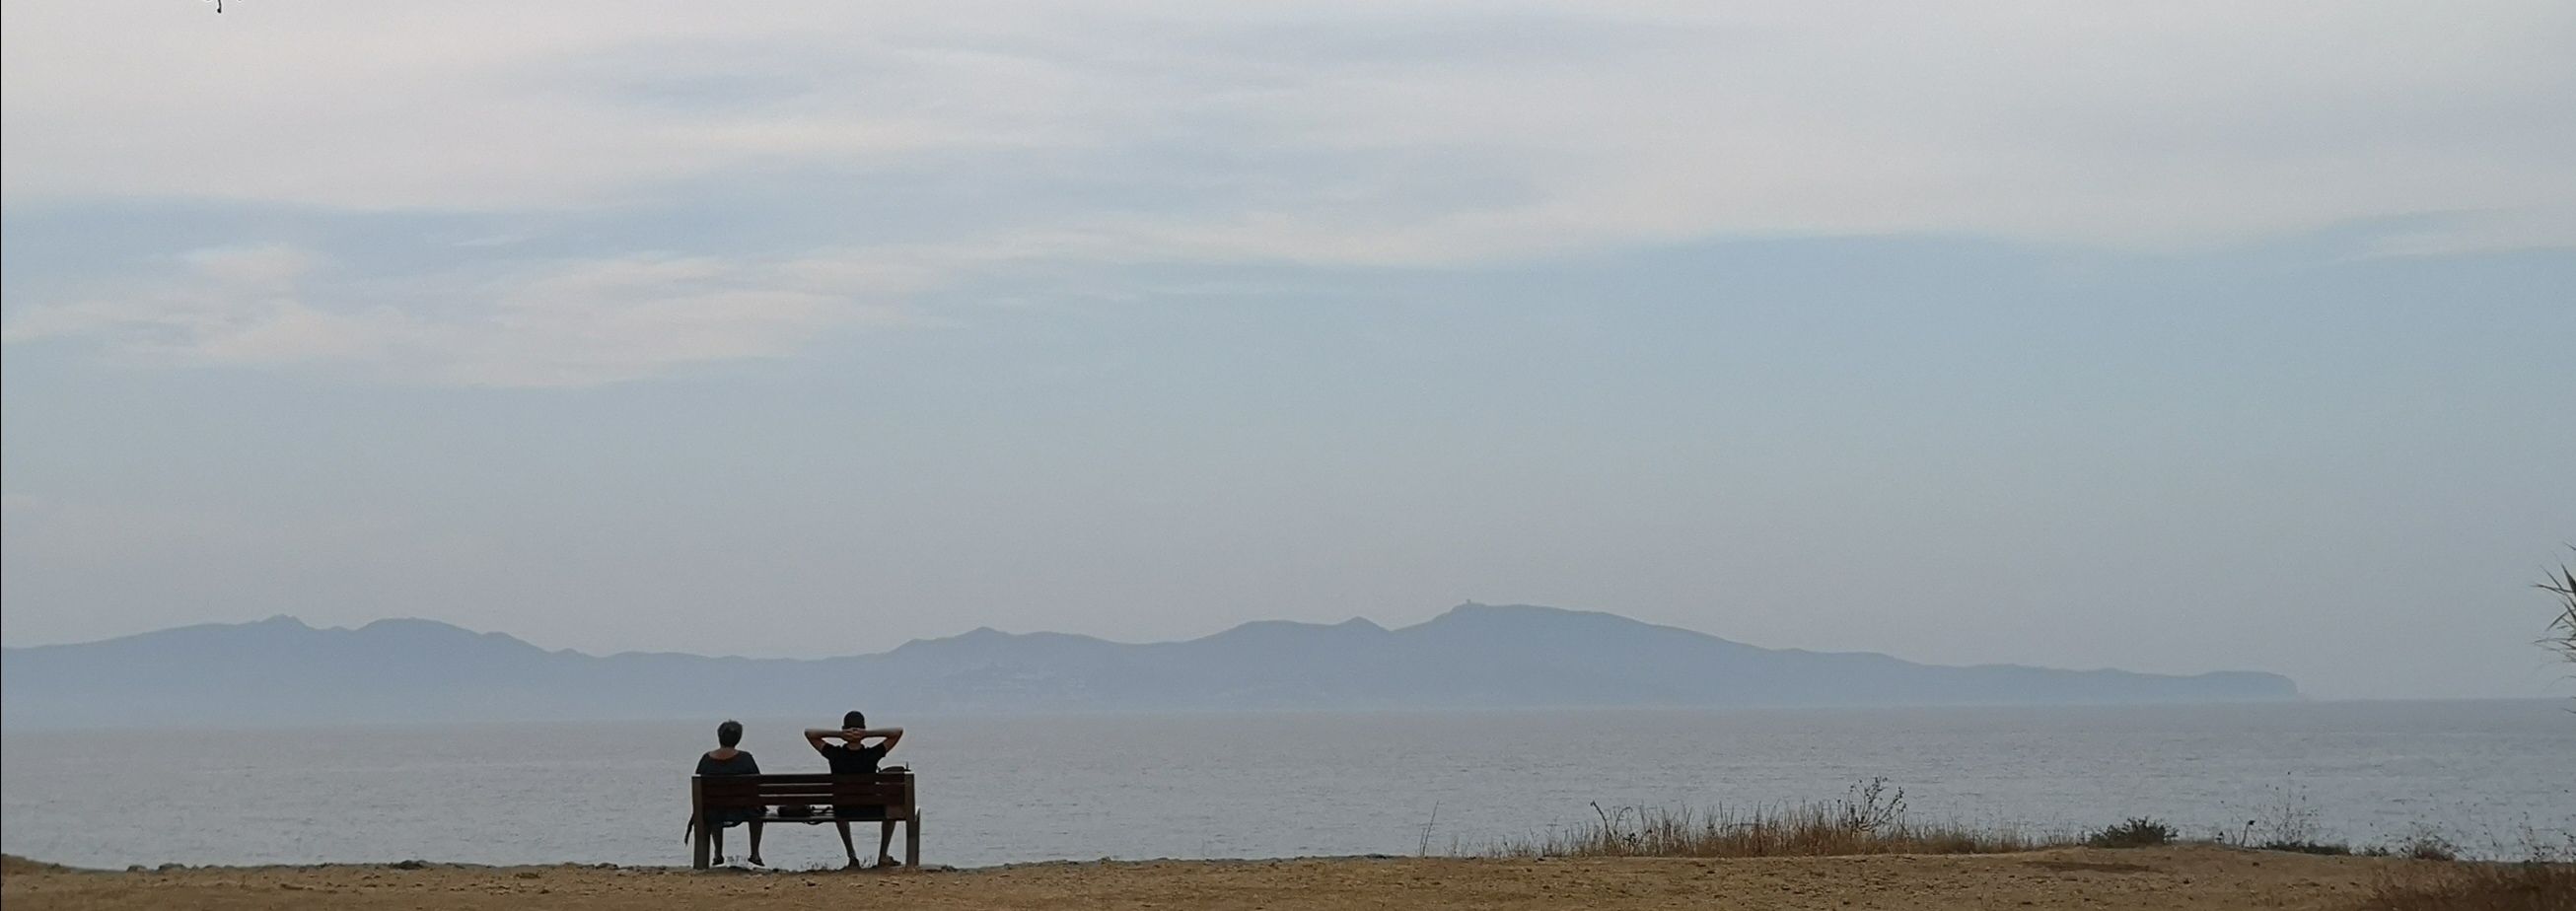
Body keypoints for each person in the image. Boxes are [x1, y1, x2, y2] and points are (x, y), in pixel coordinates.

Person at [806, 710, 905, 869]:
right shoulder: (872, 754)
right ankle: (883, 855)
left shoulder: (834, 754)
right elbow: (897, 732)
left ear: (843, 728)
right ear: (863, 729)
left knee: (840, 811)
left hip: (843, 809)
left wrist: (839, 734)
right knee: (891, 809)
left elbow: (809, 734)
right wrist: (867, 734)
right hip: (871, 809)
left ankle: (852, 857)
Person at [692, 719, 764, 868]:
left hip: (713, 811)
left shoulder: (706, 759)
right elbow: (757, 783)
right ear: (738, 738)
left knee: (714, 809)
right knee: (757, 814)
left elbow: (700, 782)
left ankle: (718, 853)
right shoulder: (745, 758)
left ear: (719, 736)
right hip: (743, 810)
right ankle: (755, 853)